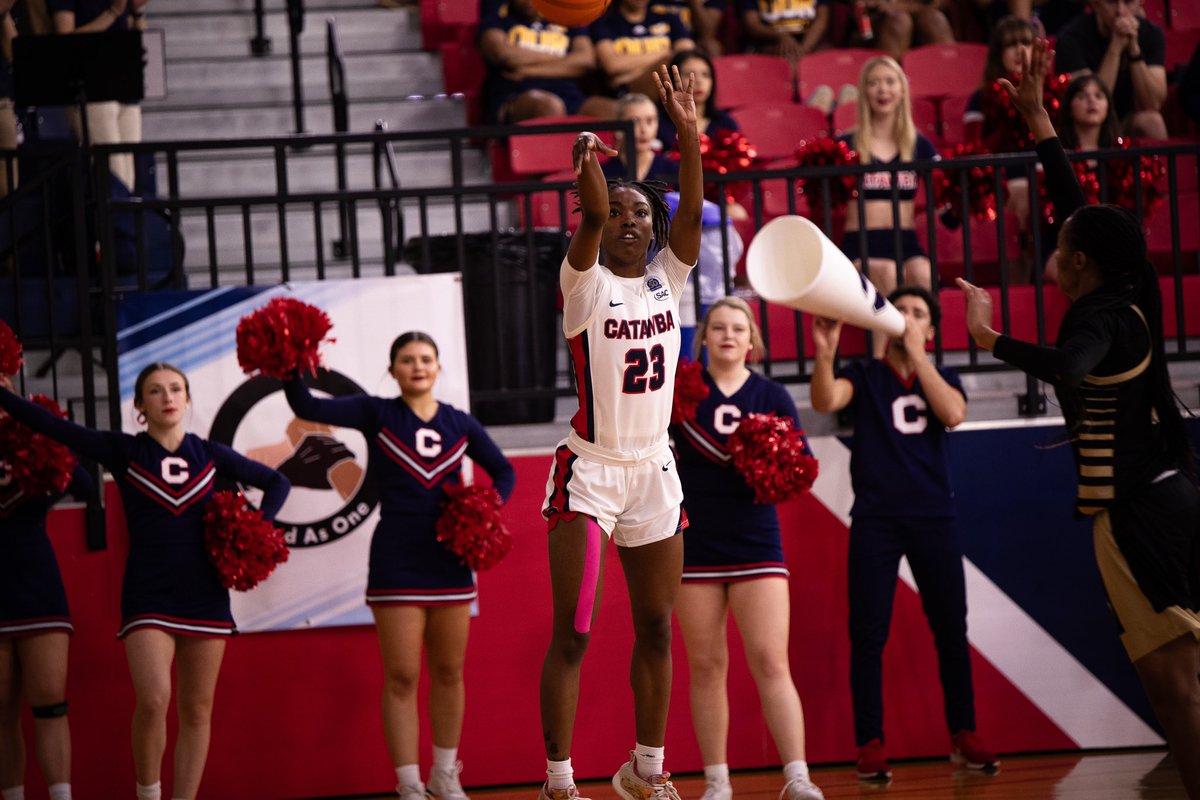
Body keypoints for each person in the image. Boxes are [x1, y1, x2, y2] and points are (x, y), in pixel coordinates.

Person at [959, 37, 1200, 799]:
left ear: (1080, 266)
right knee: (1185, 683)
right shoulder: (1134, 286)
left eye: (1061, 252)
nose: (1055, 256)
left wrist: (993, 339)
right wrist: (1039, 122)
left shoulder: (1094, 319)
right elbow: (1081, 210)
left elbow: (1069, 368)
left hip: (1133, 517)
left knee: (1176, 690)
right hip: (1174, 493)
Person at [0, 363, 291, 800]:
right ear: (140, 405)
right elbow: (54, 429)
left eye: (175, 389)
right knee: (154, 699)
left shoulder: (211, 455)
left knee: (196, 708)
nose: (167, 397)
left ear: (188, 398)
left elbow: (277, 481)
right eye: (155, 391)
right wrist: (4, 397)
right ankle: (148, 794)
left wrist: (257, 527)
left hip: (205, 594)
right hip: (148, 594)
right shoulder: (124, 452)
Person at [537, 63, 702, 800]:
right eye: (619, 211)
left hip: (654, 471)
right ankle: (559, 780)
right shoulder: (585, 283)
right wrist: (589, 168)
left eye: (643, 212)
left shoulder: (671, 275)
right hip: (592, 468)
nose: (630, 219)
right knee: (574, 631)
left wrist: (690, 133)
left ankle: (645, 770)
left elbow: (690, 209)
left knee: (660, 629)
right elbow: (595, 219)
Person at [283, 332, 516, 800]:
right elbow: (308, 406)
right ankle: (409, 783)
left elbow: (504, 471)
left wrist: (486, 509)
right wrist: (289, 362)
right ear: (392, 370)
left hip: (450, 558)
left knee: (449, 671)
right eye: (407, 360)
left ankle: (445, 775)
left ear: (438, 366)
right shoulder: (376, 412)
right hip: (397, 557)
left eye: (426, 358)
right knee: (403, 674)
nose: (417, 366)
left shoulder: (460, 423)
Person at [809, 286, 999, 784]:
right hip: (876, 519)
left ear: (932, 330)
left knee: (950, 631)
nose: (908, 319)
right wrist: (826, 356)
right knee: (868, 634)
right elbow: (827, 398)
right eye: (901, 312)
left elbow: (954, 414)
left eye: (919, 314)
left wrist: (920, 358)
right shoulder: (866, 375)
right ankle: (869, 742)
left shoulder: (942, 375)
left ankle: (964, 734)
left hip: (935, 517)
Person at [671, 297, 825, 800]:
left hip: (757, 541)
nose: (728, 335)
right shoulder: (681, 393)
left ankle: (797, 778)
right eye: (718, 327)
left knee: (770, 660)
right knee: (707, 664)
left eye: (739, 328)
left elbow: (800, 467)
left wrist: (773, 456)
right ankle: (718, 781)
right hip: (695, 543)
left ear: (753, 341)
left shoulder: (773, 395)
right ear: (704, 338)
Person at [0, 373, 93, 800]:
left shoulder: (36, 436)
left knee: (50, 701)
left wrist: (48, 442)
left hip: (37, 580)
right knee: (1, 712)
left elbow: (88, 487)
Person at [838, 56, 938, 354]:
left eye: (890, 82)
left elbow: (945, 189)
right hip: (862, 242)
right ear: (864, 92)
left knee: (923, 272)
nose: (883, 90)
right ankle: (883, 362)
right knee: (885, 271)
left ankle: (919, 357)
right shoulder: (848, 143)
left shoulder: (919, 145)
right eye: (874, 82)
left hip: (905, 240)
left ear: (902, 90)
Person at [49, 0, 149, 192]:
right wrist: (112, 13)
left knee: (129, 180)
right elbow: (64, 41)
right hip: (92, 92)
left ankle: (123, 221)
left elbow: (136, 33)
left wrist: (137, 11)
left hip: (125, 88)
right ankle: (109, 221)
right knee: (113, 174)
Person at [480, 0, 613, 124]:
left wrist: (526, 70)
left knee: (625, 112)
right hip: (517, 96)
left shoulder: (565, 14)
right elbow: (505, 55)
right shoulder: (499, 13)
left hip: (570, 96)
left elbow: (585, 60)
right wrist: (565, 59)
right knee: (550, 106)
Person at [1053, 0, 1167, 139]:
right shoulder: (1071, 38)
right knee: (1090, 119)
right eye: (1111, 2)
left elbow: (1153, 103)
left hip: (1124, 121)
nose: (1120, 11)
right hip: (1083, 123)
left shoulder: (1151, 34)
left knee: (1152, 122)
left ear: (1139, 3)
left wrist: (1134, 50)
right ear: (1096, 4)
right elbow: (1089, 100)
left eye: (1128, 2)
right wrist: (1115, 48)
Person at [590, 0, 694, 98]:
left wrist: (625, 76)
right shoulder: (605, 23)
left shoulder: (670, 19)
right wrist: (668, 54)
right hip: (626, 94)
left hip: (658, 87)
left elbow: (686, 54)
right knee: (665, 65)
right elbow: (611, 65)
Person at [655, 50, 737, 154]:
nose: (698, 81)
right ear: (672, 80)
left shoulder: (726, 122)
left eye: (705, 74)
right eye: (689, 75)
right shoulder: (658, 124)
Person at [602, 93, 680, 185]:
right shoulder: (603, 173)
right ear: (618, 126)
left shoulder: (672, 169)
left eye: (649, 121)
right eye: (635, 122)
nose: (643, 130)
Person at [737, 0, 828, 63]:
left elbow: (821, 19)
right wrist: (781, 37)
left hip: (808, 41)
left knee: (831, 57)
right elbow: (752, 25)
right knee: (786, 60)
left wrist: (804, 49)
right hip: (770, 42)